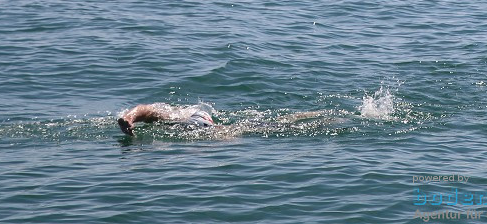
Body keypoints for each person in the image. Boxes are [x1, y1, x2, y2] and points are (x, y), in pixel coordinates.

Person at [117, 102, 337, 137]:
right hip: (199, 123)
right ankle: (320, 117)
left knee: (153, 115)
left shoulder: (177, 114)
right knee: (274, 124)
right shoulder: (193, 113)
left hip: (190, 124)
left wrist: (131, 117)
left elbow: (146, 109)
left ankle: (129, 118)